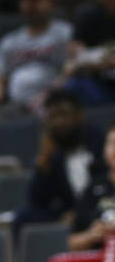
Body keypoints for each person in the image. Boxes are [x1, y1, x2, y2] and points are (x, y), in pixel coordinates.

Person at [0, 0, 73, 116]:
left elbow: (71, 69)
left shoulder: (65, 32)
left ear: (51, 2)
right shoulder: (9, 41)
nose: (32, 4)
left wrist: (50, 95)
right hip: (16, 106)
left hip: (53, 101)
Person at [16, 90, 103, 232]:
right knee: (23, 217)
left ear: (79, 115)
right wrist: (44, 163)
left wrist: (80, 211)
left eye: (63, 115)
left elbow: (105, 181)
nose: (58, 122)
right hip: (69, 212)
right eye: (53, 117)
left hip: (100, 205)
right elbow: (37, 201)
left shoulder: (98, 140)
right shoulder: (54, 154)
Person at [65, 0, 115, 105]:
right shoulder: (87, 15)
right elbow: (75, 52)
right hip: (99, 82)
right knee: (72, 85)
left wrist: (95, 57)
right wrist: (104, 60)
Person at [69, 123, 115, 251]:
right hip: (97, 259)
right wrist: (92, 235)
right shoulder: (94, 187)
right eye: (111, 143)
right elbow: (72, 242)